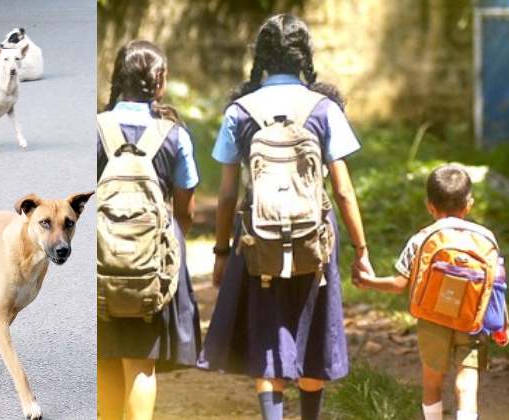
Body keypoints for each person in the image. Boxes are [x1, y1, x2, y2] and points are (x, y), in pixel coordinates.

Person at [197, 14, 373, 420]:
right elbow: (343, 189)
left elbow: (226, 194)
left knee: (266, 335)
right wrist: (361, 250)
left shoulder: (239, 111)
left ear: (259, 56)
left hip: (257, 239)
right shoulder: (324, 108)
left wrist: (221, 251)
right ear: (304, 56)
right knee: (312, 335)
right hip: (315, 239)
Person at [96, 40, 202, 420]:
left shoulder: (96, 128)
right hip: (150, 267)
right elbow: (185, 211)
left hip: (100, 263)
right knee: (141, 364)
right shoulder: (174, 135)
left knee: (105, 358)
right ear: (160, 81)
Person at [355, 164, 499, 420]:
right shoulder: (486, 238)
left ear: (429, 205)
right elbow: (496, 285)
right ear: (470, 204)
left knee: (432, 381)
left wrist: (369, 281)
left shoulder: (421, 238)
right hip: (471, 320)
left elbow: (400, 284)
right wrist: (502, 324)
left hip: (432, 319)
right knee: (467, 381)